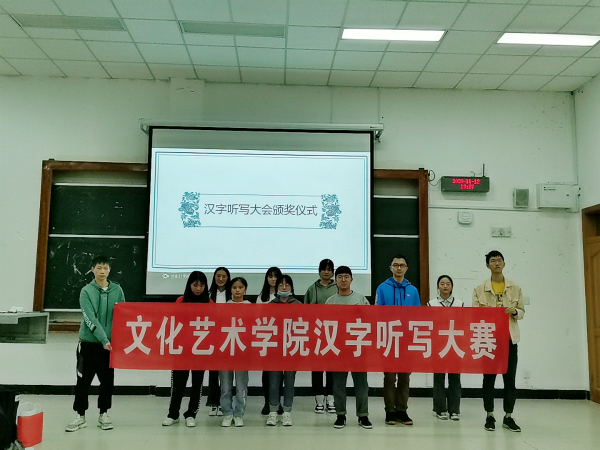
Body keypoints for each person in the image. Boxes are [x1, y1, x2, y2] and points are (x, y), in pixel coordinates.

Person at [65, 255, 125, 432]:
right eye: (99, 268)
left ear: (110, 270)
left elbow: (123, 314)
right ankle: (80, 415)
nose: (102, 271)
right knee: (83, 381)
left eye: (105, 268)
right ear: (92, 269)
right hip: (88, 345)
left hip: (109, 347)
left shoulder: (117, 290)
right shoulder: (86, 291)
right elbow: (89, 318)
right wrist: (103, 339)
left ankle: (103, 414)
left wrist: (117, 340)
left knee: (107, 381)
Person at [473, 250, 525, 433]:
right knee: (488, 379)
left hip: (509, 340)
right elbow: (475, 314)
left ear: (504, 264)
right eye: (493, 260)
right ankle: (489, 415)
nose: (497, 263)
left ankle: (508, 416)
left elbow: (522, 312)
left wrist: (514, 311)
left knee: (510, 380)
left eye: (499, 260)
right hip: (489, 340)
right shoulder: (480, 289)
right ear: (488, 265)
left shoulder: (515, 287)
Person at [375, 253, 420, 426]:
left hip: (406, 341)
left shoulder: (413, 291)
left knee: (404, 378)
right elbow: (377, 314)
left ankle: (402, 410)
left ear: (406, 268)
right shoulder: (382, 288)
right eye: (396, 265)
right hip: (388, 339)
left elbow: (417, 317)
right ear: (391, 268)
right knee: (389, 377)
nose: (399, 268)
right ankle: (390, 411)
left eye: (402, 265)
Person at [326, 266, 373, 430]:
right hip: (338, 349)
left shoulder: (361, 298)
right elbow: (326, 326)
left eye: (346, 276)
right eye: (340, 277)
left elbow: (371, 321)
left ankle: (363, 415)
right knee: (338, 384)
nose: (343, 279)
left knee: (361, 384)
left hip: (358, 348)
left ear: (352, 279)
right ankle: (340, 415)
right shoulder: (330, 301)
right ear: (335, 280)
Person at [162, 271, 210, 428]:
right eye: (195, 285)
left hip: (200, 350)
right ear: (189, 285)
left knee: (197, 383)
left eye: (201, 285)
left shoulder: (209, 303)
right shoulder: (180, 301)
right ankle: (173, 414)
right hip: (181, 350)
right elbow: (173, 322)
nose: (198, 289)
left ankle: (191, 414)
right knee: (178, 384)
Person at [267, 274, 302, 427]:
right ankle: (273, 411)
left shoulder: (298, 305)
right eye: (281, 284)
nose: (284, 287)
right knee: (274, 383)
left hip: (291, 349)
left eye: (287, 285)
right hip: (274, 349)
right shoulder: (270, 305)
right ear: (276, 287)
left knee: (289, 382)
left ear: (292, 287)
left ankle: (287, 412)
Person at [428, 275, 464, 421]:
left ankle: (454, 410)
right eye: (442, 283)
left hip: (455, 345)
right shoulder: (431, 304)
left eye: (448, 284)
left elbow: (463, 323)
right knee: (439, 378)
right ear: (438, 286)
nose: (445, 286)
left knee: (455, 378)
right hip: (438, 345)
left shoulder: (459, 304)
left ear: (452, 287)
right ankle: (440, 409)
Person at [305, 259, 337, 414]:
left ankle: (331, 398)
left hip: (334, 333)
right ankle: (318, 399)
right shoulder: (312, 289)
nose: (326, 272)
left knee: (332, 368)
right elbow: (305, 311)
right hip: (316, 333)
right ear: (319, 271)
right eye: (324, 269)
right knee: (317, 368)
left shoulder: (337, 287)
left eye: (329, 269)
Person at [220, 277, 251, 427]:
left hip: (242, 352)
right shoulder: (225, 307)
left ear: (245, 289)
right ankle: (227, 413)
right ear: (230, 290)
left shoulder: (250, 306)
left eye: (240, 287)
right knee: (225, 386)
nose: (237, 290)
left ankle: (239, 414)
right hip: (226, 351)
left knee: (241, 385)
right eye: (234, 287)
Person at [256, 267, 283, 416]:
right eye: (270, 276)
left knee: (280, 373)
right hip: (266, 338)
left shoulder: (284, 295)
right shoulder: (262, 297)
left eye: (276, 276)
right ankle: (267, 402)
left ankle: (277, 403)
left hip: (281, 338)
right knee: (267, 373)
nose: (273, 279)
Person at [206, 266, 232, 416]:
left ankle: (224, 403)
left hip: (229, 336)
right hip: (213, 337)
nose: (221, 279)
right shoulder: (208, 295)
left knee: (226, 372)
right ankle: (213, 403)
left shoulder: (232, 295)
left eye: (224, 276)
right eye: (218, 276)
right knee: (213, 372)